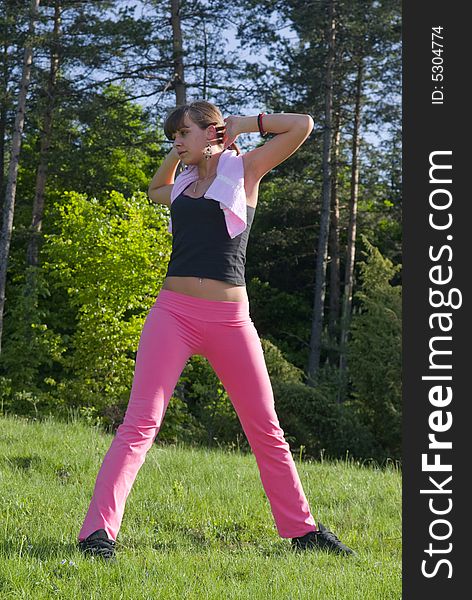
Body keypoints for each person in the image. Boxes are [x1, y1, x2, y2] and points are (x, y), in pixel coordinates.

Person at [77, 100, 354, 560]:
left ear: (211, 132)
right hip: (173, 314)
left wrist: (247, 125)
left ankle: (302, 531)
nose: (176, 143)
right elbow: (153, 189)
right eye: (172, 137)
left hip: (230, 320)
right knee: (139, 423)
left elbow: (301, 126)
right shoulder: (183, 184)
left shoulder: (245, 171)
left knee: (266, 429)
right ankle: (97, 534)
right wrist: (180, 153)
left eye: (183, 134)